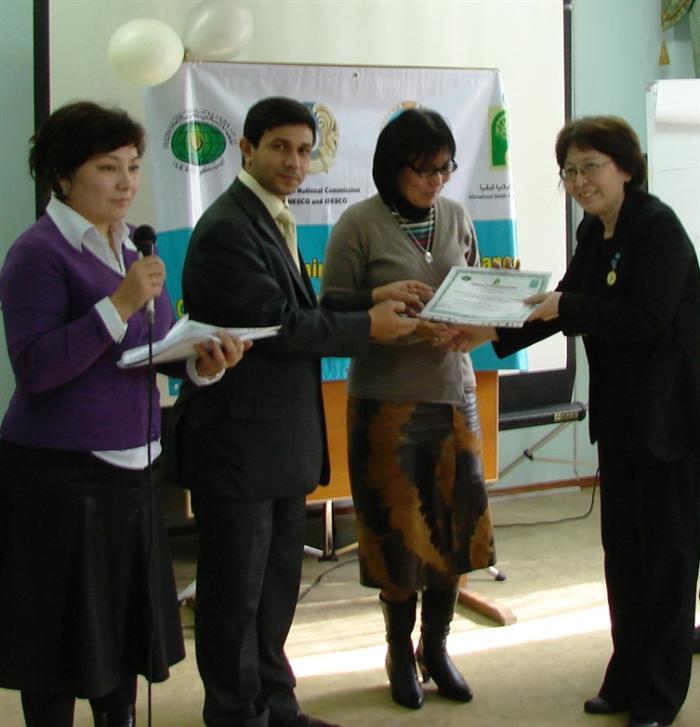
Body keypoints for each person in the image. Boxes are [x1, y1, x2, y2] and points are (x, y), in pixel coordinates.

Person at [172, 96, 418, 727]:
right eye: (280, 147)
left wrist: (369, 297)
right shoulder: (228, 227)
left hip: (276, 444)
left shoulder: (268, 215)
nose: (294, 162)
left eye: (305, 151)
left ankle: (276, 705)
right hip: (239, 446)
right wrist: (367, 324)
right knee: (236, 597)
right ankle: (236, 714)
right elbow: (275, 327)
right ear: (247, 149)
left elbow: (294, 308)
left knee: (275, 587)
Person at [0, 101, 247, 727]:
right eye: (108, 168)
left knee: (122, 639)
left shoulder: (130, 245)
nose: (126, 182)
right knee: (57, 649)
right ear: (63, 176)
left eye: (133, 166)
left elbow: (153, 350)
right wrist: (118, 304)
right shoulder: (37, 253)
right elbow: (36, 368)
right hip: (60, 478)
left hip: (135, 472)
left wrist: (202, 364)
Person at [459, 116, 700, 727]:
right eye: (568, 170)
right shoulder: (595, 230)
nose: (578, 181)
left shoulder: (658, 229)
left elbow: (644, 316)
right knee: (623, 555)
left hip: (669, 424)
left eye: (591, 166)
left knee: (666, 562)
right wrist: (487, 333)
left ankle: (660, 694)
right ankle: (627, 675)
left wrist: (566, 304)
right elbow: (562, 306)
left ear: (626, 168)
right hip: (621, 420)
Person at [320, 108, 496, 710]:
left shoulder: (457, 216)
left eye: (445, 168)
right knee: (396, 535)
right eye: (424, 170)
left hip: (454, 394)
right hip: (386, 402)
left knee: (454, 529)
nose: (437, 181)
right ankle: (398, 651)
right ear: (393, 169)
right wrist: (383, 312)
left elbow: (475, 289)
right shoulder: (359, 225)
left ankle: (435, 648)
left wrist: (474, 322)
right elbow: (332, 313)